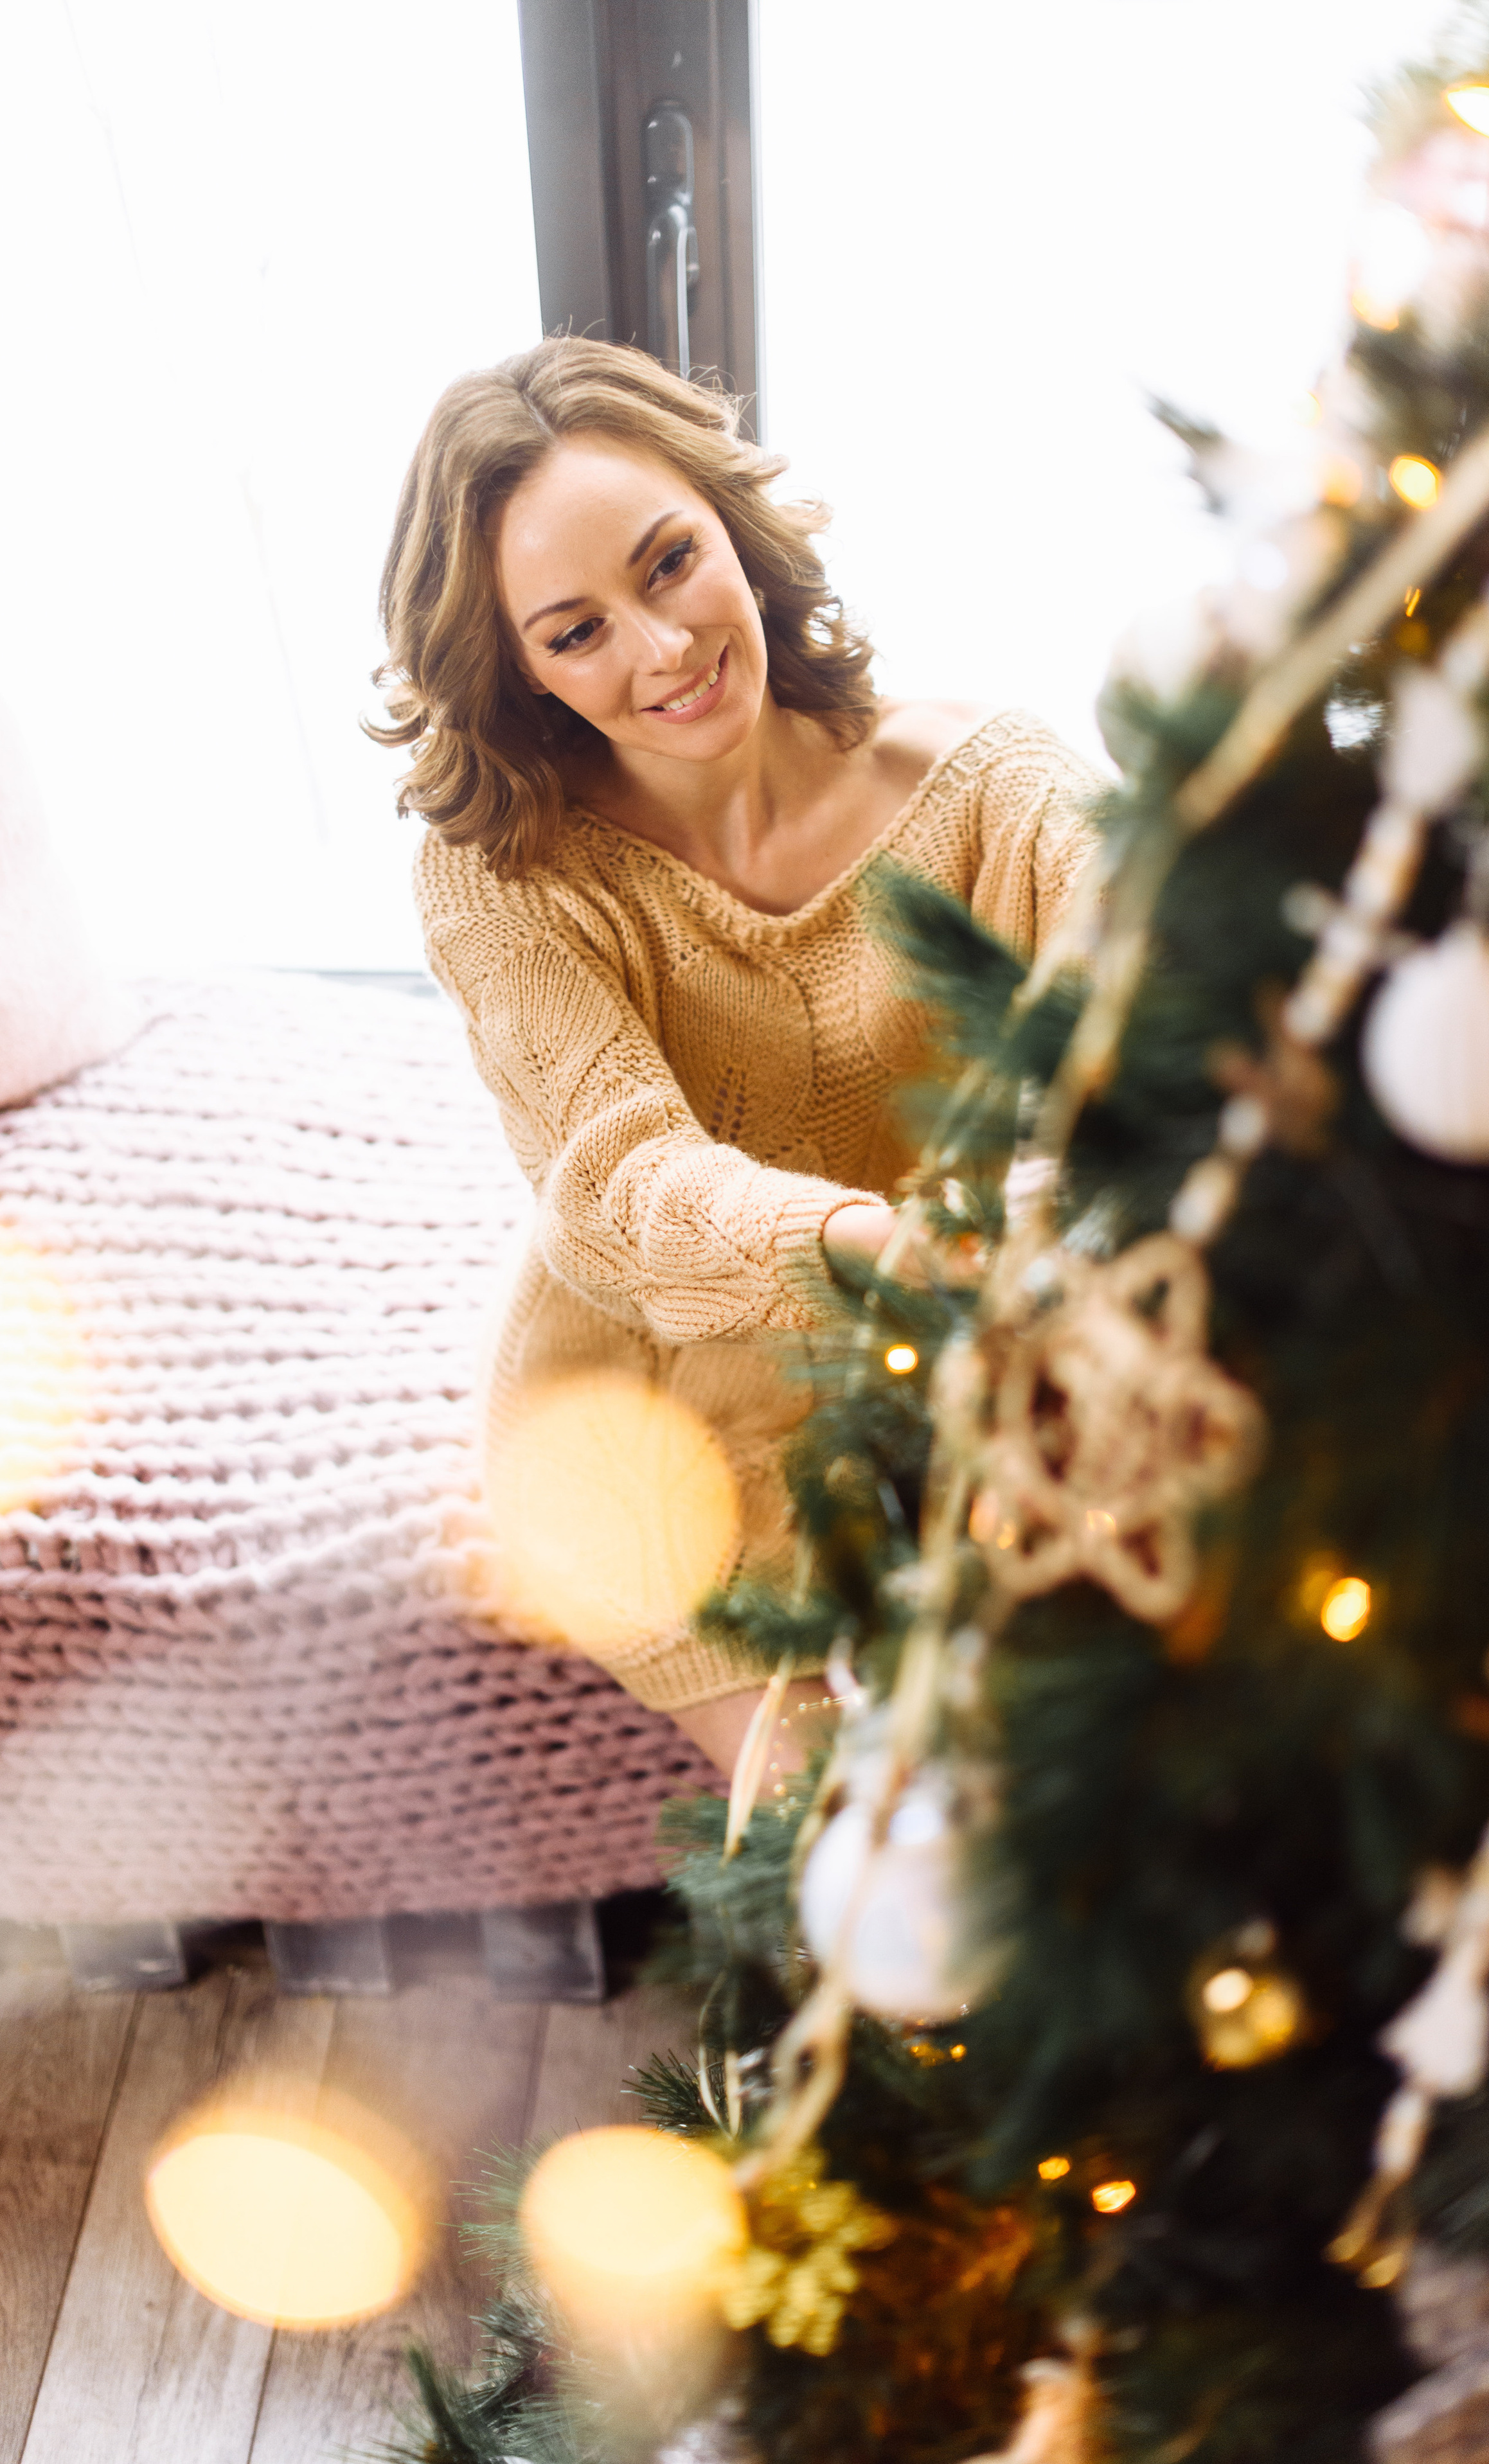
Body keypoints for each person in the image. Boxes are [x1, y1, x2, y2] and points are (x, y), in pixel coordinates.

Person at [371, 337, 1094, 1780]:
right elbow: (621, 1187)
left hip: (970, 1353)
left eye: (666, 564)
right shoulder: (499, 875)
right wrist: (876, 1245)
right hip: (662, 1431)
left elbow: (1148, 974)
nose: (660, 650)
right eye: (573, 632)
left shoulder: (991, 783)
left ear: (732, 525)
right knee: (885, 1897)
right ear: (516, 675)